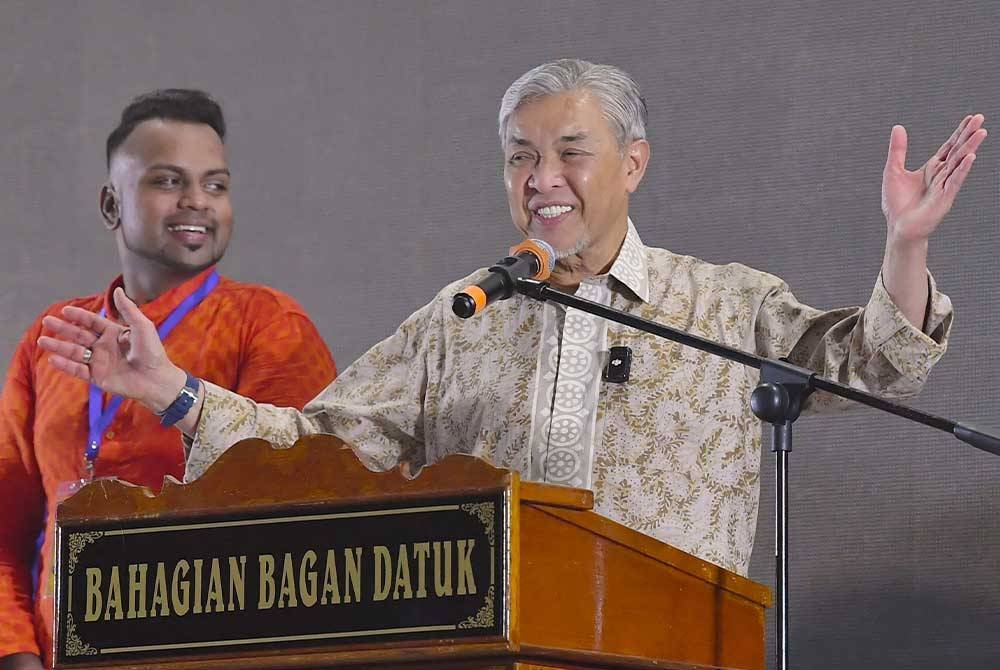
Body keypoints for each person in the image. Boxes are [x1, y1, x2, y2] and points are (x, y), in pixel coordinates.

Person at [39, 59, 986, 583]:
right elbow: (320, 443)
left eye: (571, 153)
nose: (542, 180)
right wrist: (173, 393)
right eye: (519, 156)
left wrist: (905, 247)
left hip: (681, 644)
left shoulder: (724, 303)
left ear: (635, 163)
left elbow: (874, 367)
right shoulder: (465, 314)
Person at [1, 90, 337, 669]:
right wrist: (18, 657)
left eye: (216, 185)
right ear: (111, 204)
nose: (196, 202)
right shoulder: (54, 337)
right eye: (167, 181)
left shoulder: (267, 325)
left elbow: (306, 507)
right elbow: (5, 530)